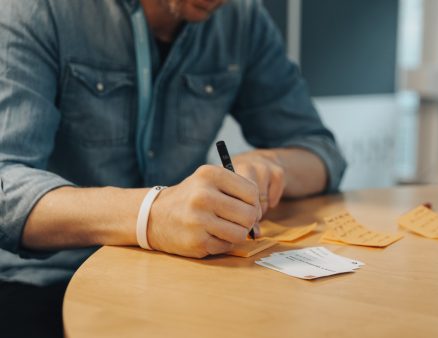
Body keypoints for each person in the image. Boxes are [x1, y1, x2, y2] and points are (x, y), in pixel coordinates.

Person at [0, 0, 346, 336]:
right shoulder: (38, 8)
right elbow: (6, 184)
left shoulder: (242, 17)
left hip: (182, 276)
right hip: (46, 281)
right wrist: (152, 215)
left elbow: (320, 152)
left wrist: (270, 164)